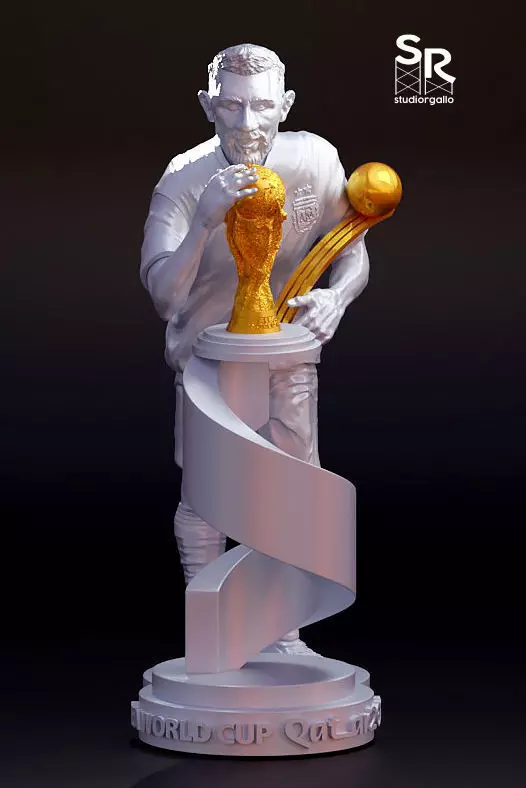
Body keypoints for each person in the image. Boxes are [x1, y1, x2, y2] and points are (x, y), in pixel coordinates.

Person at [140, 43, 370, 655]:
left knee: (291, 487)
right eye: (232, 106)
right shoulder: (183, 179)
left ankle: (281, 632)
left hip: (287, 353)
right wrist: (203, 222)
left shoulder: (315, 159)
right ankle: (208, 628)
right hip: (208, 360)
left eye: (262, 106)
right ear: (208, 106)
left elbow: (351, 250)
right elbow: (163, 295)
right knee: (207, 492)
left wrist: (336, 298)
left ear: (285, 105)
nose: (248, 123)